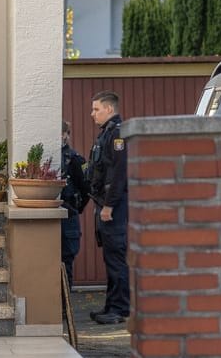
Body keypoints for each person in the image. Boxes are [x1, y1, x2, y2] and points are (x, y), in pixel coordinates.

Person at [86, 91, 129, 324]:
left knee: (117, 259)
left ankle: (121, 309)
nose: (93, 114)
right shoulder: (107, 134)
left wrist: (110, 205)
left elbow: (120, 174)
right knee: (110, 259)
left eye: (96, 109)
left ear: (109, 109)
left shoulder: (118, 134)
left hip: (114, 207)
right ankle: (111, 305)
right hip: (105, 205)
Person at [60, 120, 88, 290]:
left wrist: (76, 207)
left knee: (66, 260)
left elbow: (86, 188)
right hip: (51, 215)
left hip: (68, 215)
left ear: (66, 135)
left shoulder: (76, 159)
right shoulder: (48, 157)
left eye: (60, 133)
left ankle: (66, 308)